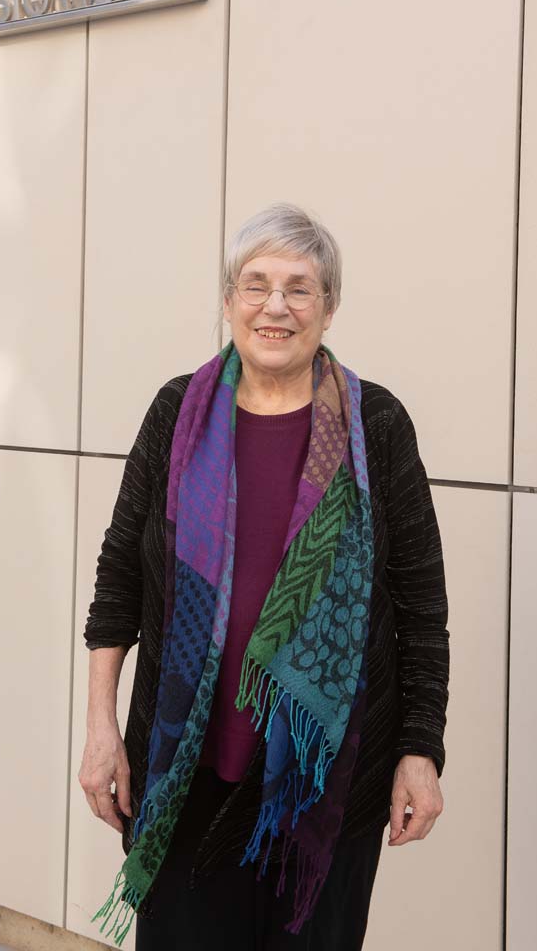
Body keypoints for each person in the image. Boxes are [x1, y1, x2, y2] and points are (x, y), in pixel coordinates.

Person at [79, 202, 450, 950]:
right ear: (227, 302)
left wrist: (419, 750)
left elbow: (419, 606)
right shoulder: (176, 416)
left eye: (299, 287)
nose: (274, 306)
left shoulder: (373, 426)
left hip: (323, 788)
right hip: (185, 774)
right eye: (254, 285)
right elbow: (119, 577)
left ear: (328, 306)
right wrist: (100, 727)